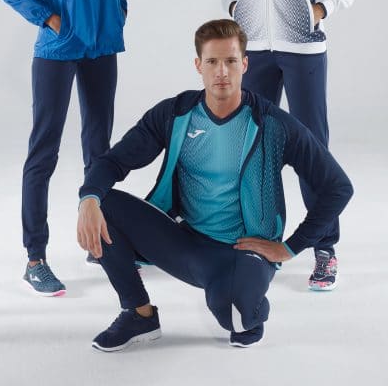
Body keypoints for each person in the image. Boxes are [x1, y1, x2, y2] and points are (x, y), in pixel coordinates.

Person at [76, 19, 352, 351]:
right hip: (186, 243)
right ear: (199, 66)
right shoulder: (175, 114)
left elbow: (337, 186)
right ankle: (139, 313)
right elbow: (112, 162)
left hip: (246, 250)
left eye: (231, 61)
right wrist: (88, 198)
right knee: (101, 205)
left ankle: (245, 299)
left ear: (245, 64)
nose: (222, 71)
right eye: (212, 62)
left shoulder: (273, 124)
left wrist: (291, 247)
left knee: (238, 322)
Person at [220, 0, 364, 290]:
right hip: (256, 51)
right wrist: (236, 7)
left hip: (302, 49)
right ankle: (264, 242)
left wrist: (321, 9)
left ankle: (325, 248)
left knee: (311, 150)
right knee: (257, 147)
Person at [0, 0, 127, 296]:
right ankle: (36, 257)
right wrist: (48, 18)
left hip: (103, 47)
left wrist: (117, 10)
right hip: (58, 48)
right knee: (44, 151)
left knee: (99, 147)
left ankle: (99, 243)